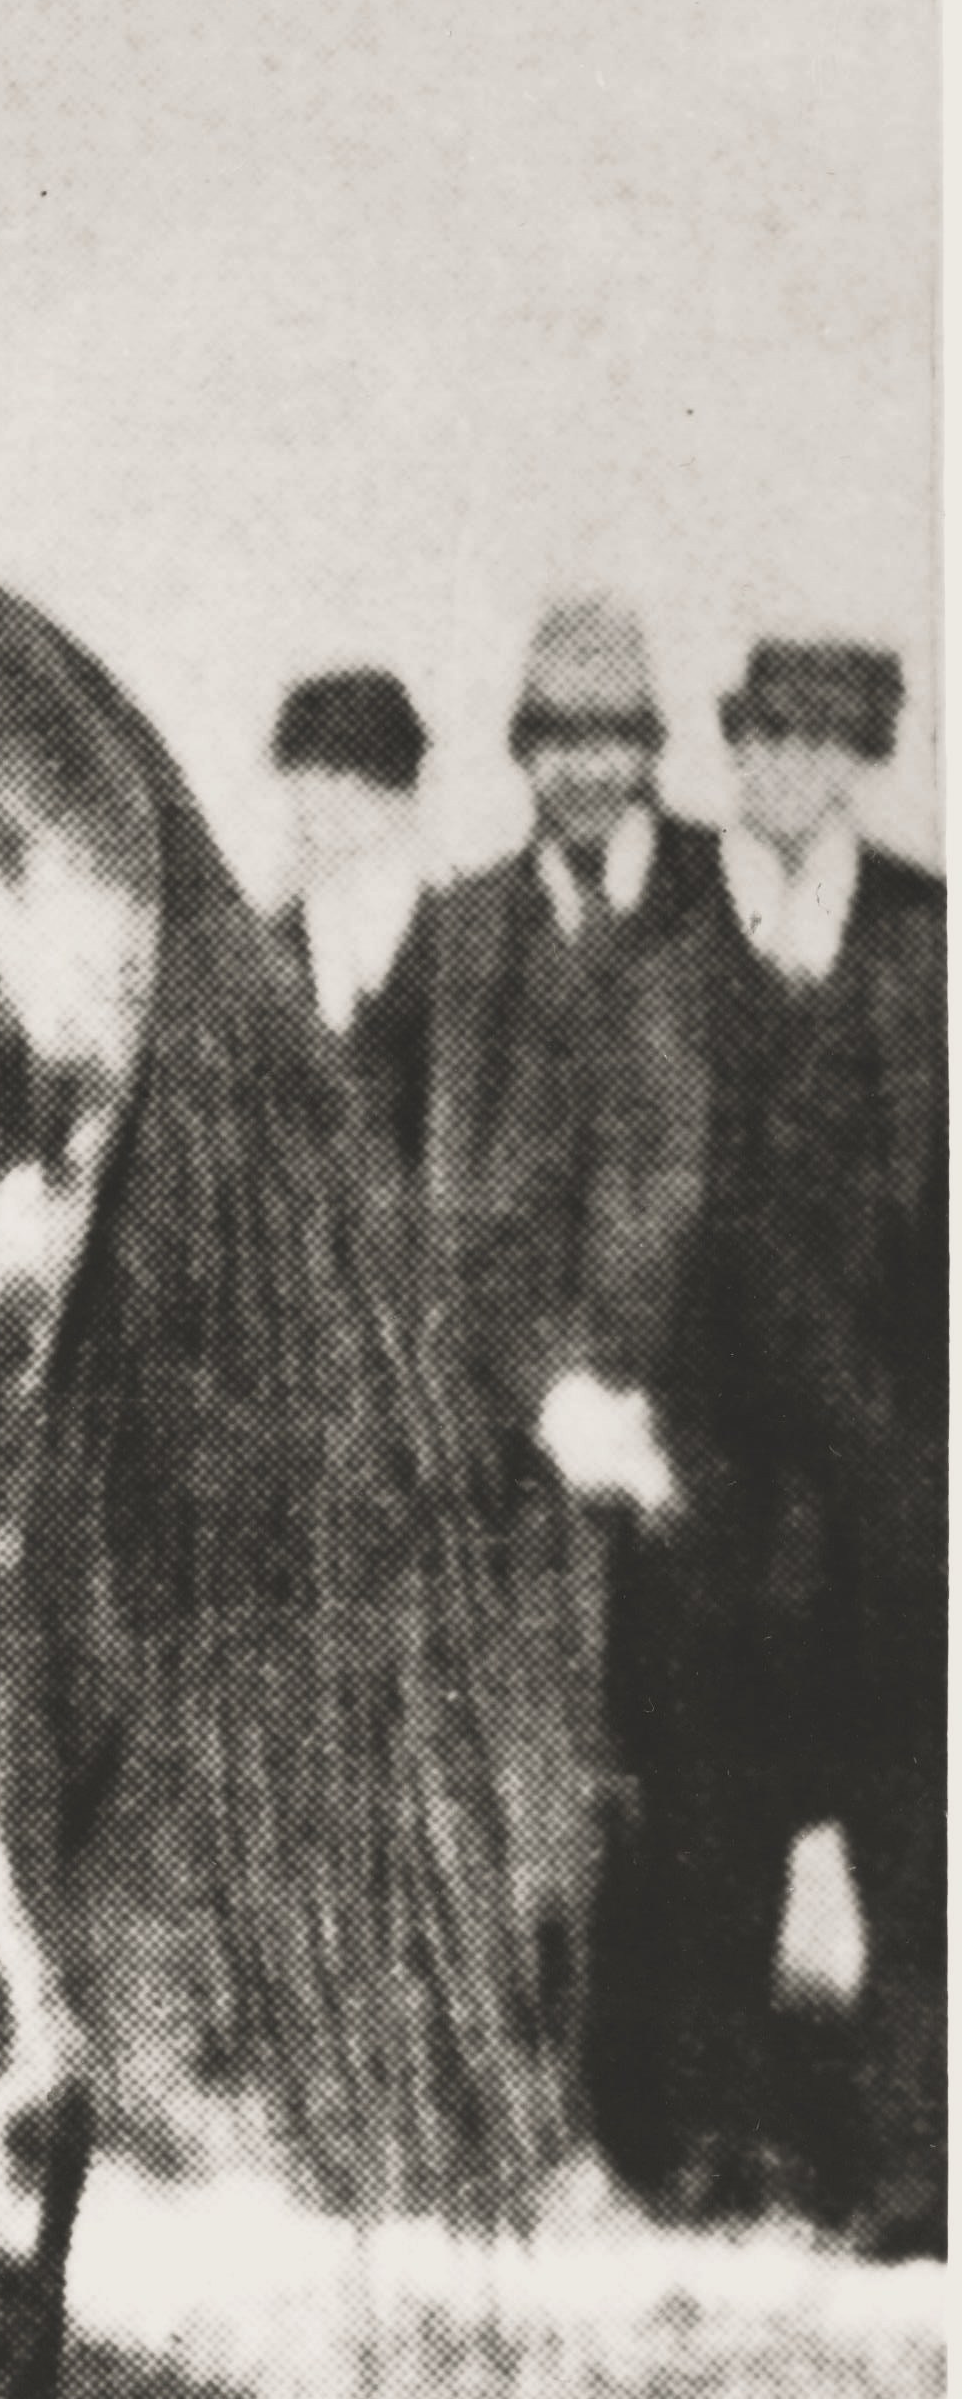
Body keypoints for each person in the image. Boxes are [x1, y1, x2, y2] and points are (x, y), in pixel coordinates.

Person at [373, 590, 722, 2205]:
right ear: (523, 755)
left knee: (674, 1785)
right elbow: (395, 1185)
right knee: (502, 1787)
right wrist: (529, 1389)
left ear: (648, 752)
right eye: (555, 739)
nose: (583, 770)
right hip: (500, 1437)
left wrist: (662, 1413)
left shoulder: (717, 916)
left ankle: (660, 2124)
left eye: (611, 739)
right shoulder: (457, 935)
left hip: (685, 1443)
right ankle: (512, 2128)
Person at [629, 637, 942, 2244]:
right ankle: (715, 2146)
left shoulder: (928, 939)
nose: (793, 776)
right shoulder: (665, 952)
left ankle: (912, 2166)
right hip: (719, 1465)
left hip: (897, 1468)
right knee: (711, 1818)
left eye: (827, 750)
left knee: (912, 1827)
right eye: (767, 744)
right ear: (733, 752)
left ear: (863, 765)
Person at [268, 661, 434, 1165]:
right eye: (302, 777)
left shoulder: (470, 928)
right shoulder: (279, 935)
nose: (305, 803)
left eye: (332, 775)